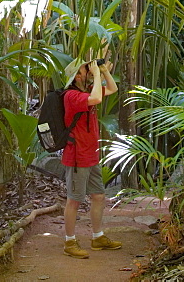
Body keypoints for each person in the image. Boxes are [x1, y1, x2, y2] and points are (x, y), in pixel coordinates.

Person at [59, 57, 122, 259]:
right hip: (77, 155)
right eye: (86, 70)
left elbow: (112, 89)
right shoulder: (71, 96)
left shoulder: (86, 92)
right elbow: (96, 99)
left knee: (98, 196)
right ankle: (69, 241)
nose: (89, 71)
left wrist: (103, 71)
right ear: (77, 76)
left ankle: (97, 237)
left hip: (91, 154)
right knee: (74, 200)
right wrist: (96, 75)